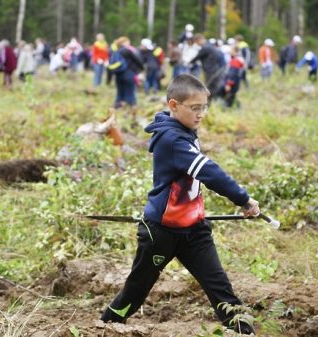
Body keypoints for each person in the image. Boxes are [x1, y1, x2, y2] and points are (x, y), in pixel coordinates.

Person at [100, 74, 260, 335]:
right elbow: (208, 172)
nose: (201, 114)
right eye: (195, 108)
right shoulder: (173, 140)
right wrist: (243, 199)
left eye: (204, 107)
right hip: (160, 233)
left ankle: (244, 331)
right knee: (136, 290)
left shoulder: (186, 131)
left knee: (219, 286)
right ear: (174, 105)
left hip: (195, 231)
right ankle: (105, 326)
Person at [108, 37, 144, 108]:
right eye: (127, 41)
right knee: (130, 91)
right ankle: (131, 105)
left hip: (118, 74)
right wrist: (141, 68)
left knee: (120, 91)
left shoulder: (115, 51)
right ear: (123, 43)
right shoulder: (127, 51)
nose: (129, 43)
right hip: (128, 73)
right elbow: (137, 60)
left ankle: (118, 105)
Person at [189, 34, 226, 100]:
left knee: (210, 86)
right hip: (214, 69)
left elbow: (198, 57)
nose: (197, 44)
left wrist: (189, 62)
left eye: (196, 43)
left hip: (211, 70)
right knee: (213, 86)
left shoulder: (206, 47)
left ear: (199, 40)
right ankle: (213, 100)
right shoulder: (210, 45)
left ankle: (211, 100)